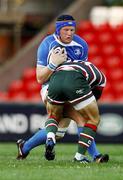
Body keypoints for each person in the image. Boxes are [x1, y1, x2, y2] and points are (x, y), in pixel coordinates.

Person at [16, 14, 109, 162]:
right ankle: (93, 156)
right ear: (58, 30)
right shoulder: (47, 44)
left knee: (59, 132)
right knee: (82, 119)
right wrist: (53, 64)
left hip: (71, 87)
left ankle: (25, 147)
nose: (69, 33)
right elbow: (40, 78)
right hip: (51, 87)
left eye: (72, 30)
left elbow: (81, 69)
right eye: (65, 30)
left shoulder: (81, 45)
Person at [45, 60, 107, 163]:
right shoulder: (101, 78)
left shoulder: (69, 62)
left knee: (54, 115)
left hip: (55, 79)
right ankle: (79, 157)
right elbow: (95, 98)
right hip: (75, 79)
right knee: (93, 119)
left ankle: (50, 137)